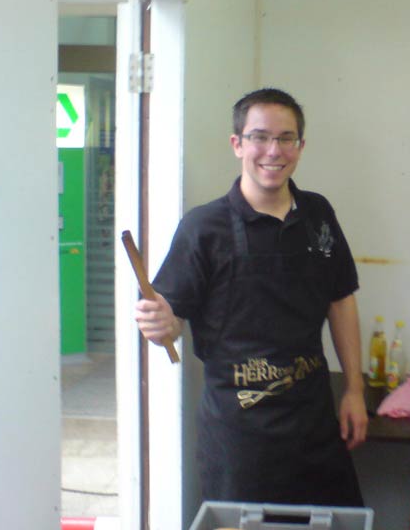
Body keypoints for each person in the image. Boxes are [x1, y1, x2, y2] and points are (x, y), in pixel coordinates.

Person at [134, 87, 367, 506]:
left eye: (285, 138)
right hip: (239, 436)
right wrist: (160, 325)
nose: (273, 151)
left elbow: (341, 299)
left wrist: (354, 388)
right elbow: (170, 321)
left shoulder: (318, 215)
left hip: (313, 421)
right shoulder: (203, 228)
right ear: (237, 144)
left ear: (300, 146)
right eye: (259, 137)